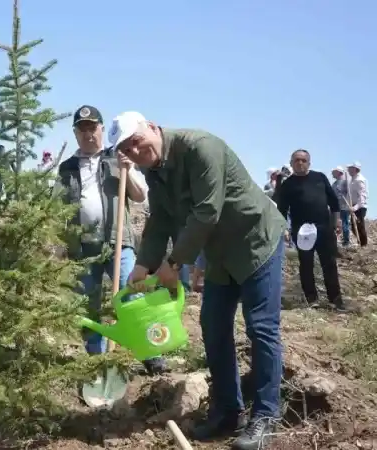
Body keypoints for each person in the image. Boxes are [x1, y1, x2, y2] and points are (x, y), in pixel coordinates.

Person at [110, 111, 286, 450]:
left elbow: (207, 211)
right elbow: (160, 218)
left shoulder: (200, 148)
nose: (134, 149)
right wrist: (143, 265)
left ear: (151, 127)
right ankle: (226, 410)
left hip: (255, 241)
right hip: (219, 253)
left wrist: (174, 263)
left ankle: (266, 417)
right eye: (126, 148)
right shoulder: (154, 171)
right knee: (213, 325)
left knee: (261, 327)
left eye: (136, 139)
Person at [57, 106, 164, 376]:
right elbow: (55, 208)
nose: (88, 134)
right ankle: (97, 360)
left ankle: (152, 356)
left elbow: (140, 197)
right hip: (83, 249)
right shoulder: (67, 168)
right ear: (75, 133)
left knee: (132, 297)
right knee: (88, 305)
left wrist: (128, 170)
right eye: (82, 129)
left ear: (101, 129)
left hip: (118, 243)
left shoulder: (118, 158)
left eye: (92, 127)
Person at [276, 150, 345, 311]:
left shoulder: (320, 177)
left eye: (303, 160)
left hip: (324, 227)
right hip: (301, 231)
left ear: (309, 162)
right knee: (306, 265)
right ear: (291, 163)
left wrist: (337, 221)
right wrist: (284, 229)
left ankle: (336, 300)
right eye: (296, 160)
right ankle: (311, 299)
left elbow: (334, 202)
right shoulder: (288, 185)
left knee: (329, 264)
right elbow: (281, 210)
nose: (300, 163)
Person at [347, 162, 368, 247]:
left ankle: (364, 245)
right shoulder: (352, 179)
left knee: (359, 225)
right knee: (353, 226)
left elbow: (362, 196)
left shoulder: (359, 180)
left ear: (355, 169)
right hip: (354, 206)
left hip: (360, 207)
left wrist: (355, 207)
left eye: (350, 168)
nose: (348, 170)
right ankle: (361, 244)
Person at [331, 166, 352, 247]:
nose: (332, 174)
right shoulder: (334, 184)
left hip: (344, 206)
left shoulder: (345, 182)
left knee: (344, 224)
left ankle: (346, 241)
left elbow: (349, 194)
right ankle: (334, 241)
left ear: (339, 172)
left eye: (334, 172)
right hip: (336, 208)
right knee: (334, 224)